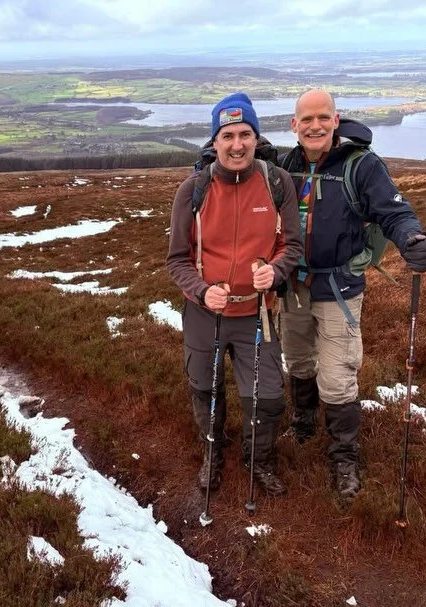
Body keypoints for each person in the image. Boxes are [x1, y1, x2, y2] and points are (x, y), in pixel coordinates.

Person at [278, 89, 426, 498]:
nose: (315, 125)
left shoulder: (361, 166)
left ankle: (343, 458)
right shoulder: (283, 165)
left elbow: (394, 211)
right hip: (292, 286)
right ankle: (303, 423)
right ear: (293, 125)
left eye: (323, 117)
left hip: (338, 289)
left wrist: (413, 239)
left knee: (337, 377)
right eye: (306, 119)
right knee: (297, 361)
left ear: (336, 120)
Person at [167, 92, 302, 496]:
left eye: (245, 133)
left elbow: (291, 246)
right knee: (204, 390)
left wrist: (275, 272)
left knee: (268, 396)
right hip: (204, 313)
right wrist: (202, 291)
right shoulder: (192, 190)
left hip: (256, 313)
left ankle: (257, 459)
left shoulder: (277, 183)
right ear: (214, 142)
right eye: (227, 135)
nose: (237, 144)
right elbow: (176, 259)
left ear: (256, 137)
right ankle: (213, 453)